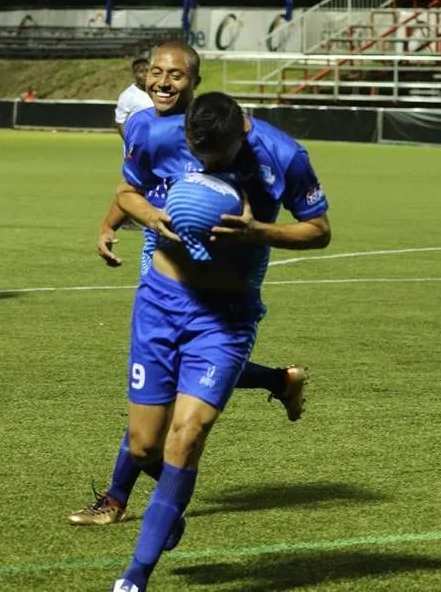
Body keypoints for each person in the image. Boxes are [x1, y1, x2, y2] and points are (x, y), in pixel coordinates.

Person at [70, 43, 307, 530]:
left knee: (172, 376)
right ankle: (281, 380)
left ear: (194, 81)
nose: (162, 82)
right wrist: (108, 224)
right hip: (159, 259)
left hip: (218, 267)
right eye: (155, 73)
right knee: (161, 377)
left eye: (175, 75)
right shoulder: (141, 125)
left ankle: (116, 499)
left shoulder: (218, 134)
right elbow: (135, 185)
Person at [110, 91, 331, 592]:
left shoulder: (283, 154)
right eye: (199, 154)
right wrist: (149, 216)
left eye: (219, 157)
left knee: (185, 440)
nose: (208, 164)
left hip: (225, 319)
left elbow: (319, 230)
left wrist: (258, 231)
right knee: (145, 446)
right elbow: (127, 192)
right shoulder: (160, 132)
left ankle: (134, 578)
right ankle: (169, 516)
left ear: (242, 134)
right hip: (161, 303)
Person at [114, 57, 152, 140]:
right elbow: (120, 122)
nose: (145, 75)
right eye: (141, 72)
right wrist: (129, 143)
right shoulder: (127, 96)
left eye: (147, 70)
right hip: (137, 145)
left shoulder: (160, 92)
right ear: (134, 74)